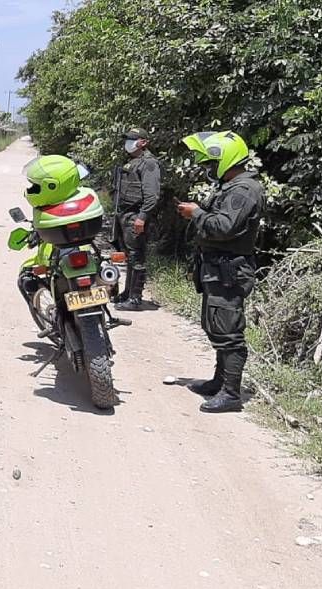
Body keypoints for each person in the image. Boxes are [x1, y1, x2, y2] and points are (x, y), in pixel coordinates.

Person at [178, 131, 265, 413]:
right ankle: (219, 381)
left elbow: (225, 227)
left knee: (229, 332)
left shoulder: (243, 190)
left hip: (229, 271)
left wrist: (196, 214)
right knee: (216, 325)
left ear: (224, 159)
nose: (207, 169)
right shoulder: (231, 186)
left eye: (209, 163)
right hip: (216, 269)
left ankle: (231, 393)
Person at [114, 128, 162, 311]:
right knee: (130, 257)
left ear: (143, 142)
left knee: (137, 257)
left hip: (136, 215)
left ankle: (135, 298)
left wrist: (141, 218)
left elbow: (152, 196)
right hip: (126, 215)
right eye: (127, 139)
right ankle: (127, 293)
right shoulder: (133, 162)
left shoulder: (149, 164)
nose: (128, 143)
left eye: (132, 140)